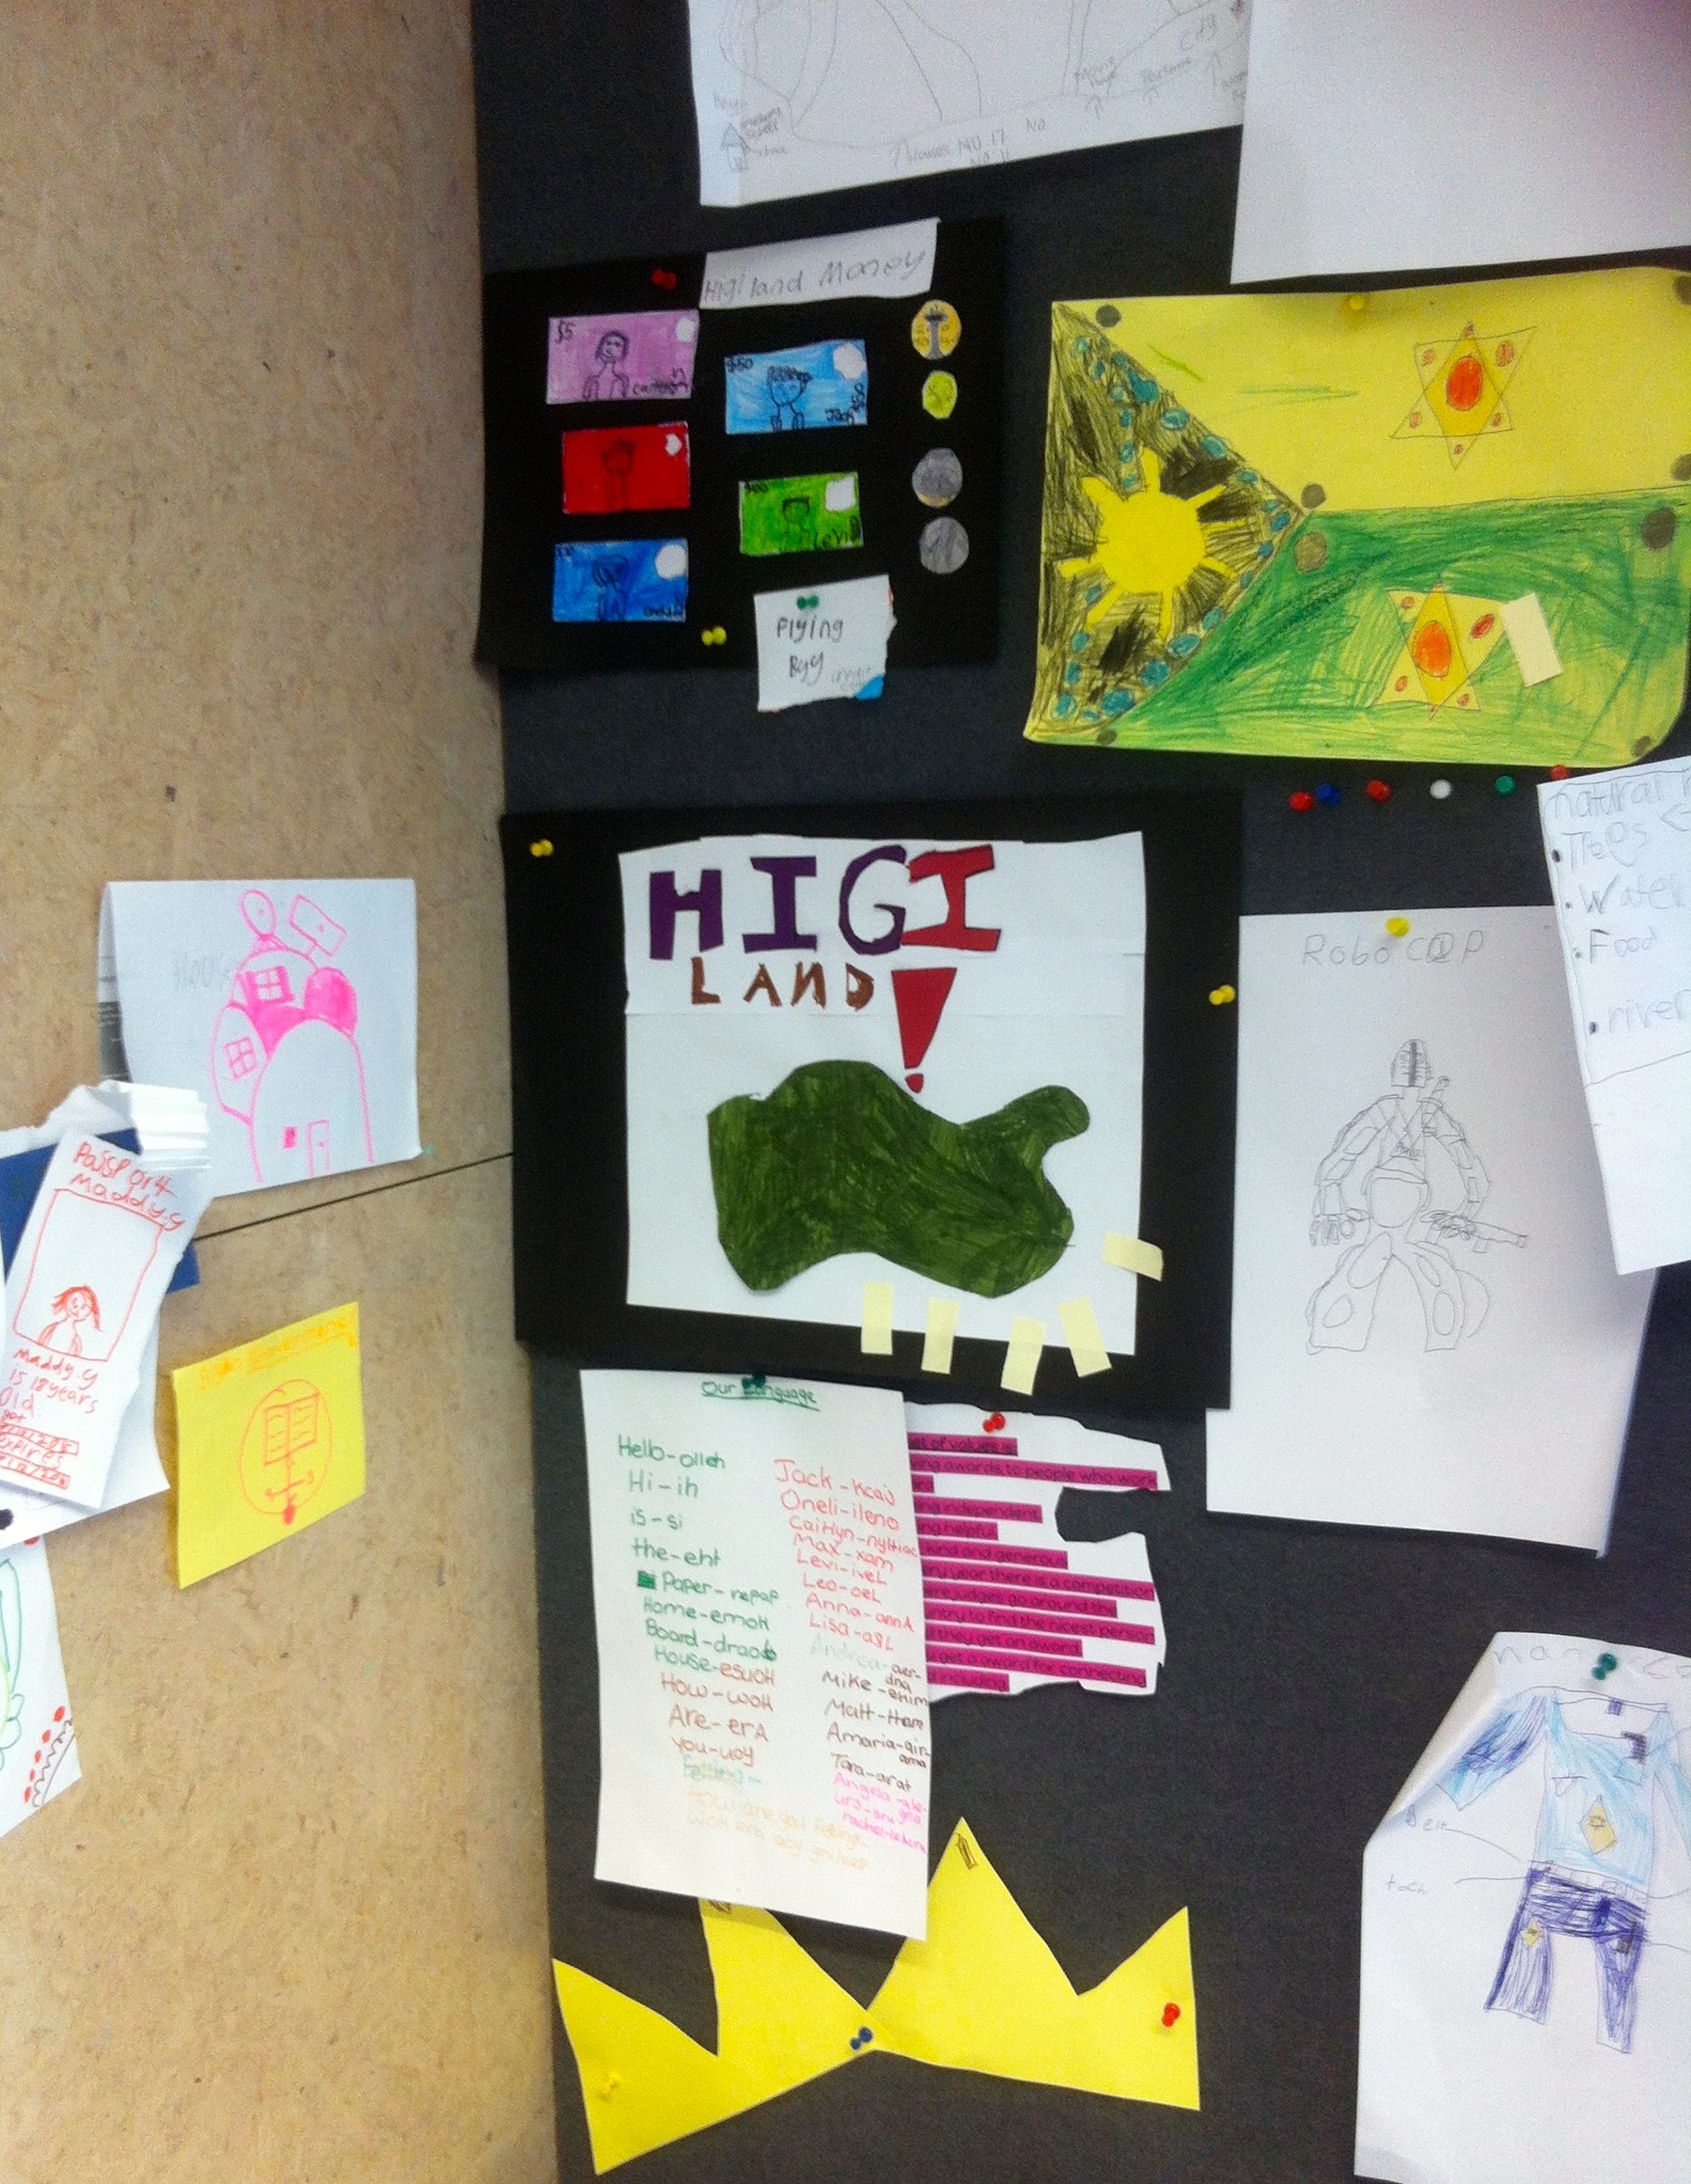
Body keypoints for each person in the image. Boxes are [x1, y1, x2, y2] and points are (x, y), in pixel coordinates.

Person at [1306, 1039, 1511, 1354]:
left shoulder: (1394, 1110)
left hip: (1395, 1193)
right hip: (1399, 1194)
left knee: (1376, 1266)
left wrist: (1331, 1202)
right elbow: (1473, 1174)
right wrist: (1466, 1211)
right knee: (1406, 1265)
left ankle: (1334, 1336)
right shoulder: (1418, 1113)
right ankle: (1433, 1340)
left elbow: (1338, 1161)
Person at [39, 1284, 100, 1356]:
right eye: (74, 1302)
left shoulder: (76, 1340)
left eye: (83, 1307)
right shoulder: (52, 1328)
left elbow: (74, 1357)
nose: (77, 1309)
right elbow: (40, 1343)